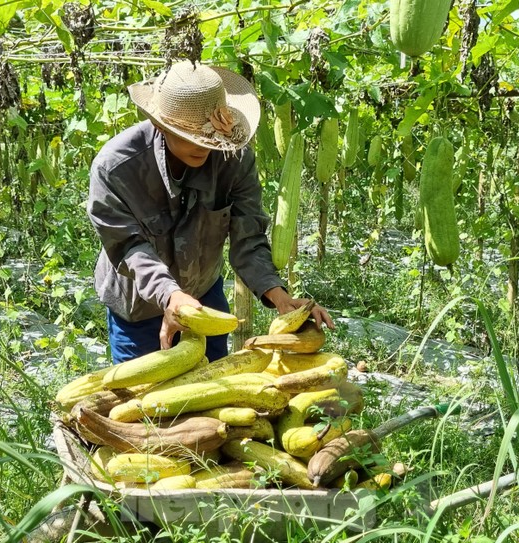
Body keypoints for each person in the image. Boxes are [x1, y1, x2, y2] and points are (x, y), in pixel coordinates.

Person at [87, 60, 334, 364]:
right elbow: (129, 247)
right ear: (160, 125)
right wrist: (170, 295)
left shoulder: (234, 159)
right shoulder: (115, 169)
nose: (206, 147)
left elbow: (249, 236)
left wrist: (279, 296)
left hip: (204, 294)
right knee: (146, 406)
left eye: (212, 139)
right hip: (139, 304)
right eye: (191, 137)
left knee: (214, 389)